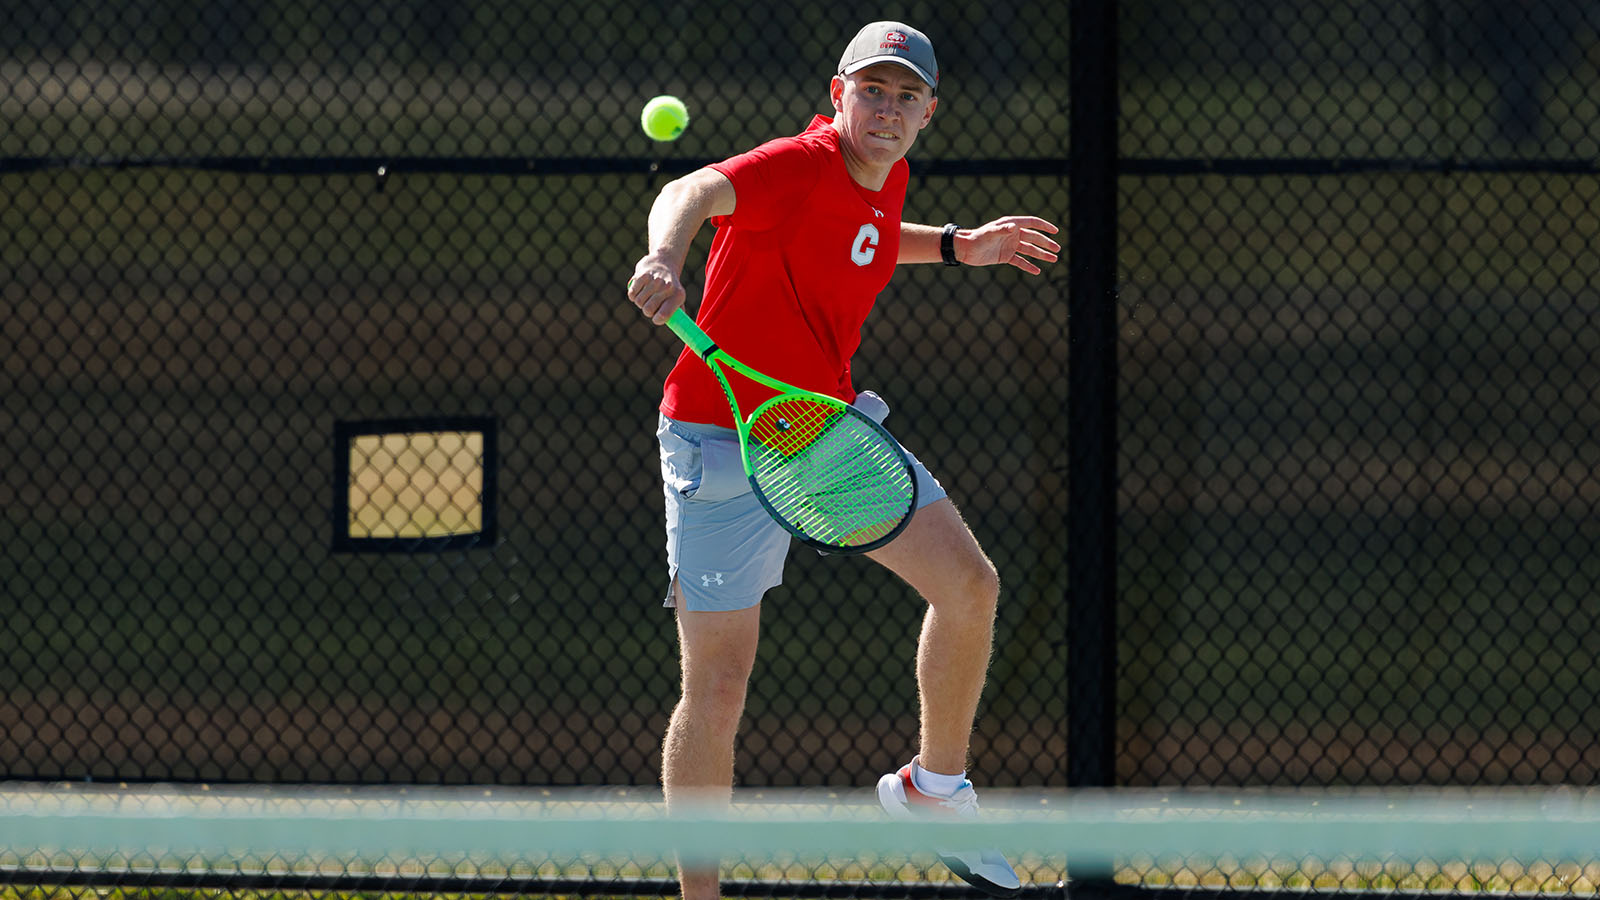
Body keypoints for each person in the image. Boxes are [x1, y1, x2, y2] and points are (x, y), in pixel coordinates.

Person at [625, 21, 1060, 900]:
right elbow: (692, 189)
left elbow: (864, 234)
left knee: (970, 587)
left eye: (906, 97)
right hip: (716, 436)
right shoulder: (797, 163)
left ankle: (932, 792)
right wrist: (664, 258)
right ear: (838, 94)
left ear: (929, 113)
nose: (887, 110)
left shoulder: (888, 175)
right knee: (717, 683)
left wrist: (952, 244)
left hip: (816, 428)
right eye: (873, 90)